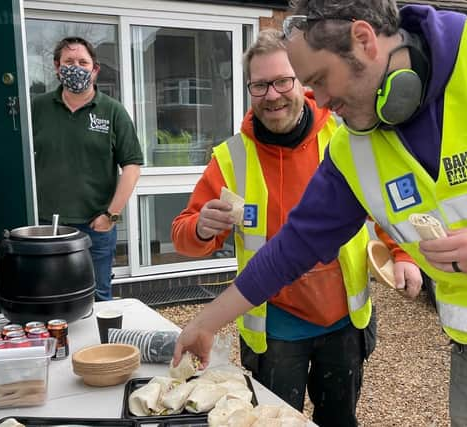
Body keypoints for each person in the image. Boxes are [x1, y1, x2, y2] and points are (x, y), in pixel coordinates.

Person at [173, 1, 467, 425]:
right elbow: (292, 247)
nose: (319, 99)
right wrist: (205, 322)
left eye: (320, 79)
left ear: (363, 40)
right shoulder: (352, 148)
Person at [171, 29, 422, 426]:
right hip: (275, 329)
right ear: (250, 89)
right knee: (274, 420)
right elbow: (183, 235)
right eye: (260, 85)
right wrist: (201, 228)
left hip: (343, 321)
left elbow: (384, 203)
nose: (272, 94)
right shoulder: (231, 158)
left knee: (339, 419)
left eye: (283, 81)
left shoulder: (343, 137)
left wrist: (404, 253)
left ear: (301, 82)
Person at [32, 37, 144, 301]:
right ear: (57, 67)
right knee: (52, 300)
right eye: (69, 62)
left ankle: (99, 344)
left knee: (97, 299)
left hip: (97, 226)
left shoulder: (112, 111)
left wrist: (111, 215)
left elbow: (132, 166)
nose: (76, 68)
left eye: (83, 62)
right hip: (48, 225)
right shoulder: (37, 108)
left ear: (95, 70)